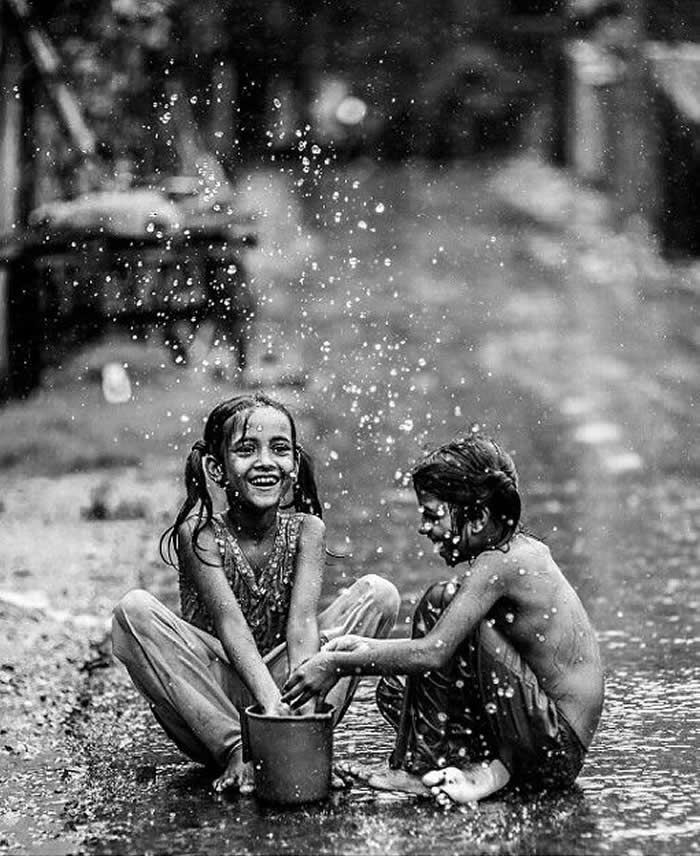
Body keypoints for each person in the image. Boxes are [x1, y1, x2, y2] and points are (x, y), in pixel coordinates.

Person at [282, 433, 605, 805]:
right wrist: (366, 648)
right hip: (540, 736)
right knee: (395, 688)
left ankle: (423, 769)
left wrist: (337, 665)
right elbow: (438, 651)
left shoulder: (500, 564)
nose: (424, 528)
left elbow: (433, 653)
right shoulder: (511, 551)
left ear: (479, 517)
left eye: (433, 515)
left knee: (439, 602)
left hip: (553, 747)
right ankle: (480, 770)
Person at [112, 393, 400, 793]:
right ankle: (236, 751)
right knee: (133, 610)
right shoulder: (201, 535)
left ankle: (308, 745)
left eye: (279, 449)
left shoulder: (306, 530)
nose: (265, 461)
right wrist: (266, 702)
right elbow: (230, 625)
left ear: (294, 465)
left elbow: (302, 625)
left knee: (379, 594)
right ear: (217, 468)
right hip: (214, 701)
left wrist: (303, 713)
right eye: (246, 450)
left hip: (286, 694)